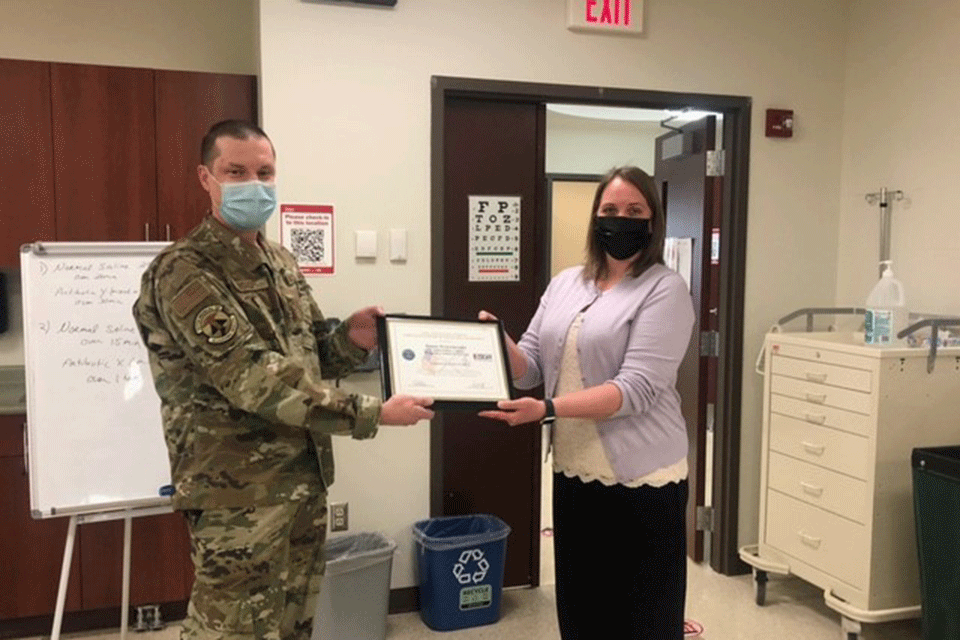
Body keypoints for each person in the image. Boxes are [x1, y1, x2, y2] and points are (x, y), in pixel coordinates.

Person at [132, 119, 434, 640]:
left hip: (300, 483)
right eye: (236, 171)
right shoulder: (184, 270)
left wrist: (351, 339)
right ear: (206, 178)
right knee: (231, 631)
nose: (254, 183)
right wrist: (371, 414)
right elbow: (253, 377)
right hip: (237, 496)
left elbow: (308, 352)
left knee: (293, 625)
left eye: (265, 172)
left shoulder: (279, 261)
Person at [479, 166, 694, 639]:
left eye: (634, 211)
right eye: (611, 210)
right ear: (595, 218)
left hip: (643, 480)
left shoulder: (665, 289)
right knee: (581, 609)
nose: (622, 219)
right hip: (575, 471)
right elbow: (532, 365)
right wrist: (498, 342)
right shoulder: (565, 284)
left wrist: (549, 409)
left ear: (653, 222)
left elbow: (636, 388)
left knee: (641, 618)